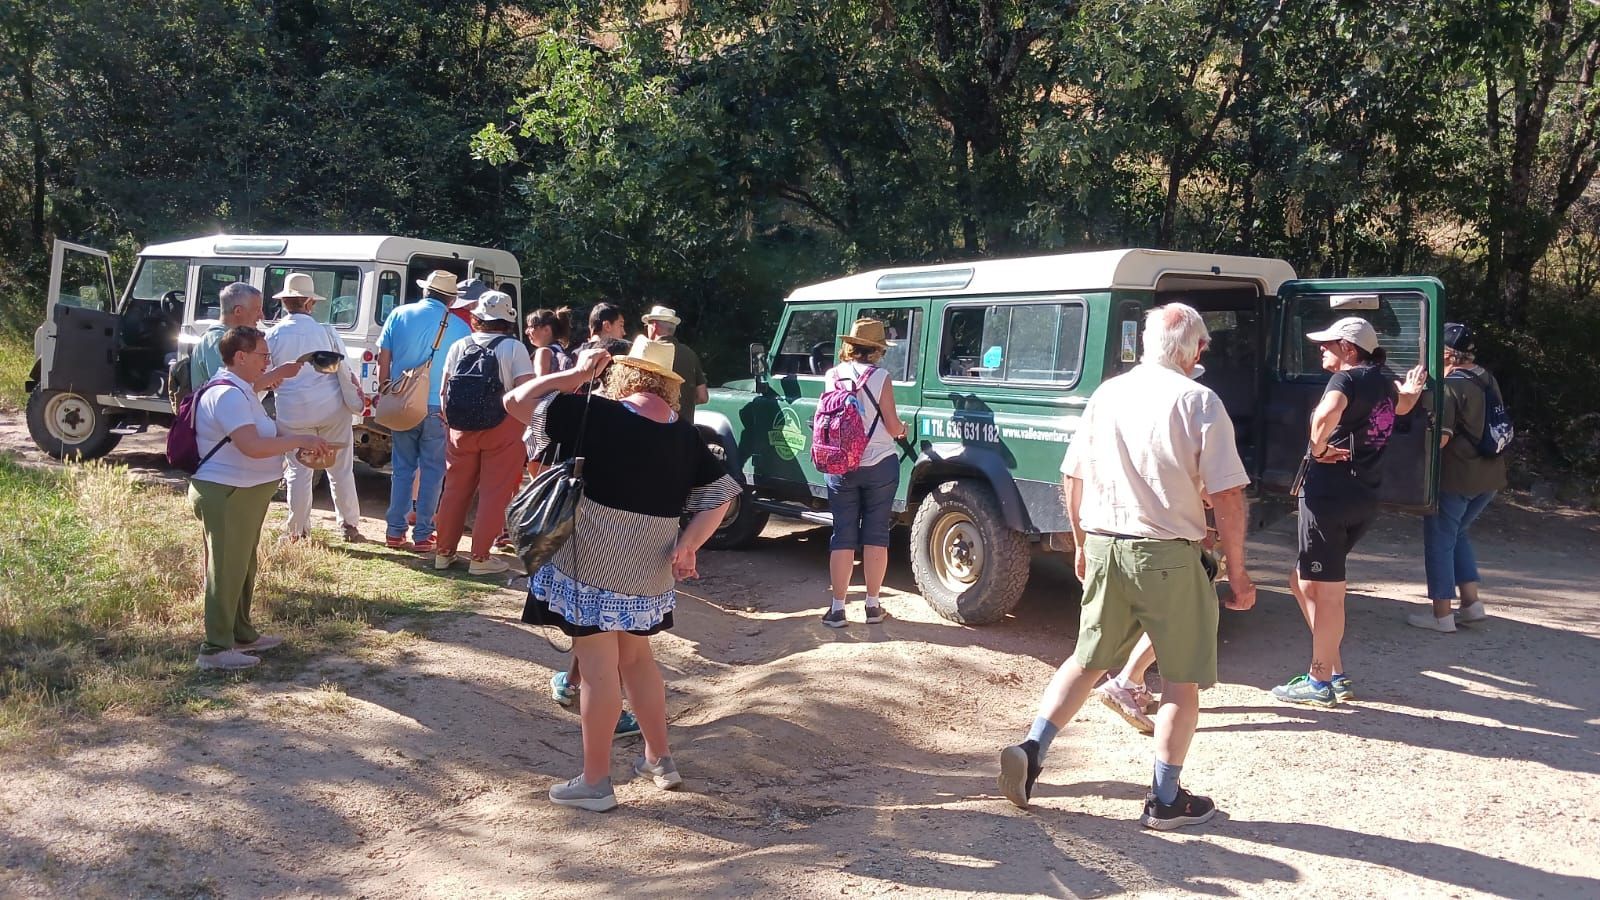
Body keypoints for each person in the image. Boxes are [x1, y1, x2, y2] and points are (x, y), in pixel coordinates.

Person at [997, 303, 1257, 831]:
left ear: (1144, 344)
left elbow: (1072, 476)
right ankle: (1165, 798)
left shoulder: (1107, 394)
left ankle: (1033, 748)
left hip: (1104, 545)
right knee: (1181, 680)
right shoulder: (1199, 400)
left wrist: (1080, 544)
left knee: (1086, 658)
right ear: (1196, 349)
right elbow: (1228, 495)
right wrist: (1238, 571)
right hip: (1168, 556)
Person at [505, 337, 740, 812]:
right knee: (636, 659)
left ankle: (595, 782)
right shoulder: (686, 436)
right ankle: (659, 760)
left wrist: (575, 375)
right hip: (650, 564)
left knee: (597, 668)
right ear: (669, 386)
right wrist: (689, 545)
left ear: (623, 374)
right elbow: (722, 495)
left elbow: (515, 401)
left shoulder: (595, 413)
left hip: (592, 555)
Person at [1272, 317, 1425, 707]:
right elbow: (1404, 406)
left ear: (1349, 349)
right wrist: (1411, 391)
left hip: (1329, 496)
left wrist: (1319, 447)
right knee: (1301, 580)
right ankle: (1334, 672)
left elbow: (1324, 416)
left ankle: (1319, 680)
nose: (1321, 349)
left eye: (1329, 344)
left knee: (1327, 593)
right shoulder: (1384, 383)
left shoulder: (1346, 380)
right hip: (1363, 497)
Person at [190, 326, 331, 670]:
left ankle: (241, 634)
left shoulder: (242, 389)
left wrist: (297, 440)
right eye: (263, 356)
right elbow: (252, 446)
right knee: (225, 570)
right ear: (240, 357)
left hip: (241, 493)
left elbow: (267, 429)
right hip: (227, 492)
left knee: (242, 565)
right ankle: (214, 649)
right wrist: (299, 440)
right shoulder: (229, 395)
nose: (267, 362)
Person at [1408, 323, 1508, 633]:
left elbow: (1441, 439)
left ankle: (1441, 615)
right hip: (1490, 477)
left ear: (1448, 354)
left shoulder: (1450, 386)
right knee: (1458, 533)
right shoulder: (1486, 377)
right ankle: (1471, 604)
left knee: (1439, 541)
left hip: (1456, 479)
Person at [433, 291, 534, 576]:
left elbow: (444, 390)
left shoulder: (459, 345)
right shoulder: (514, 348)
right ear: (507, 320)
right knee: (494, 492)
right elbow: (525, 392)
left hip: (460, 429)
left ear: (477, 318)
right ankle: (479, 558)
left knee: (454, 490)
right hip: (503, 428)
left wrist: (451, 423)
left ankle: (443, 553)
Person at [263, 273, 366, 543]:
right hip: (332, 409)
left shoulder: (272, 336)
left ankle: (297, 531)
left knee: (298, 470)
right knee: (340, 469)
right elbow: (344, 370)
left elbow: (266, 375)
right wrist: (357, 403)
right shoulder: (326, 332)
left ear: (284, 302)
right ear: (310, 303)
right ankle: (349, 526)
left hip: (293, 412)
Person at [819, 318, 907, 628]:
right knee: (876, 534)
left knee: (842, 534)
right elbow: (892, 426)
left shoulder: (832, 375)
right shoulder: (881, 377)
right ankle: (872, 606)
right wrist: (903, 430)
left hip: (841, 463)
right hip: (879, 464)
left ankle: (837, 609)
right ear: (877, 349)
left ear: (850, 346)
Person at [376, 270, 472, 552]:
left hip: (402, 402)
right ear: (451, 300)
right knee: (432, 472)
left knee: (402, 468)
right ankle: (423, 534)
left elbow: (384, 357)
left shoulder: (398, 314)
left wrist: (386, 389)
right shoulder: (460, 327)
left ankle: (394, 531)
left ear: (425, 291)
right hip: (438, 406)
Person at [191, 282, 300, 391]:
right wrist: (277, 374)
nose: (261, 316)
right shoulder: (217, 340)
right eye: (257, 310)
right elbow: (231, 387)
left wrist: (266, 382)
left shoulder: (228, 339)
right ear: (238, 311)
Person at [642, 305, 708, 421]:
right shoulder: (690, 354)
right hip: (685, 428)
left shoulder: (646, 352)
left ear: (654, 326)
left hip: (655, 427)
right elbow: (703, 397)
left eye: (647, 326)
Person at [526, 308, 574, 375]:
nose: (526, 332)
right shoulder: (561, 350)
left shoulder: (543, 352)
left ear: (547, 330)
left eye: (531, 327)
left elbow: (540, 381)